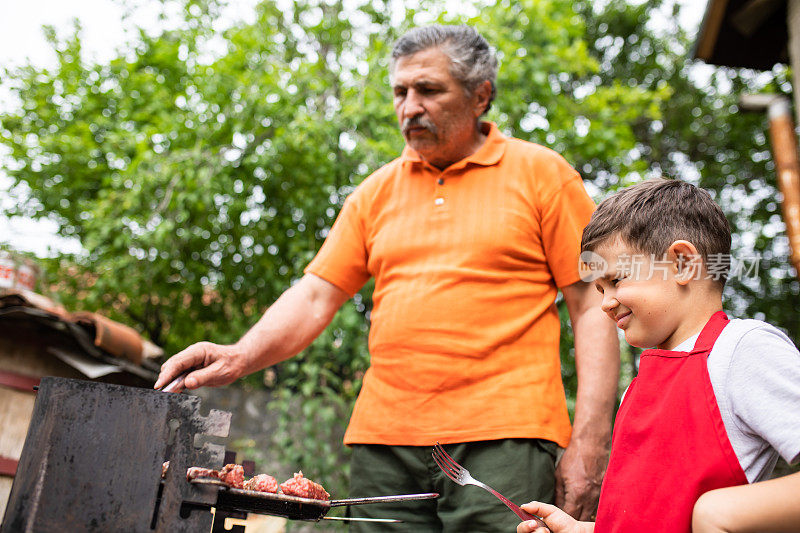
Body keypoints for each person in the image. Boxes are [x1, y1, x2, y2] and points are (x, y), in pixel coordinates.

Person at [155, 24, 620, 531]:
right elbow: (315, 296)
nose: (409, 106)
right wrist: (239, 355)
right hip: (384, 442)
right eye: (401, 91)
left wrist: (591, 441)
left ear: (480, 95)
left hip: (504, 438)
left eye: (429, 90)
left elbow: (592, 301)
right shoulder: (375, 192)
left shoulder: (544, 175)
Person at [517, 178, 800, 533]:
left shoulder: (743, 350)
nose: (605, 303)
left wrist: (721, 513)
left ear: (682, 263)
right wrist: (583, 529)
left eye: (617, 281)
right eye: (600, 289)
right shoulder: (636, 390)